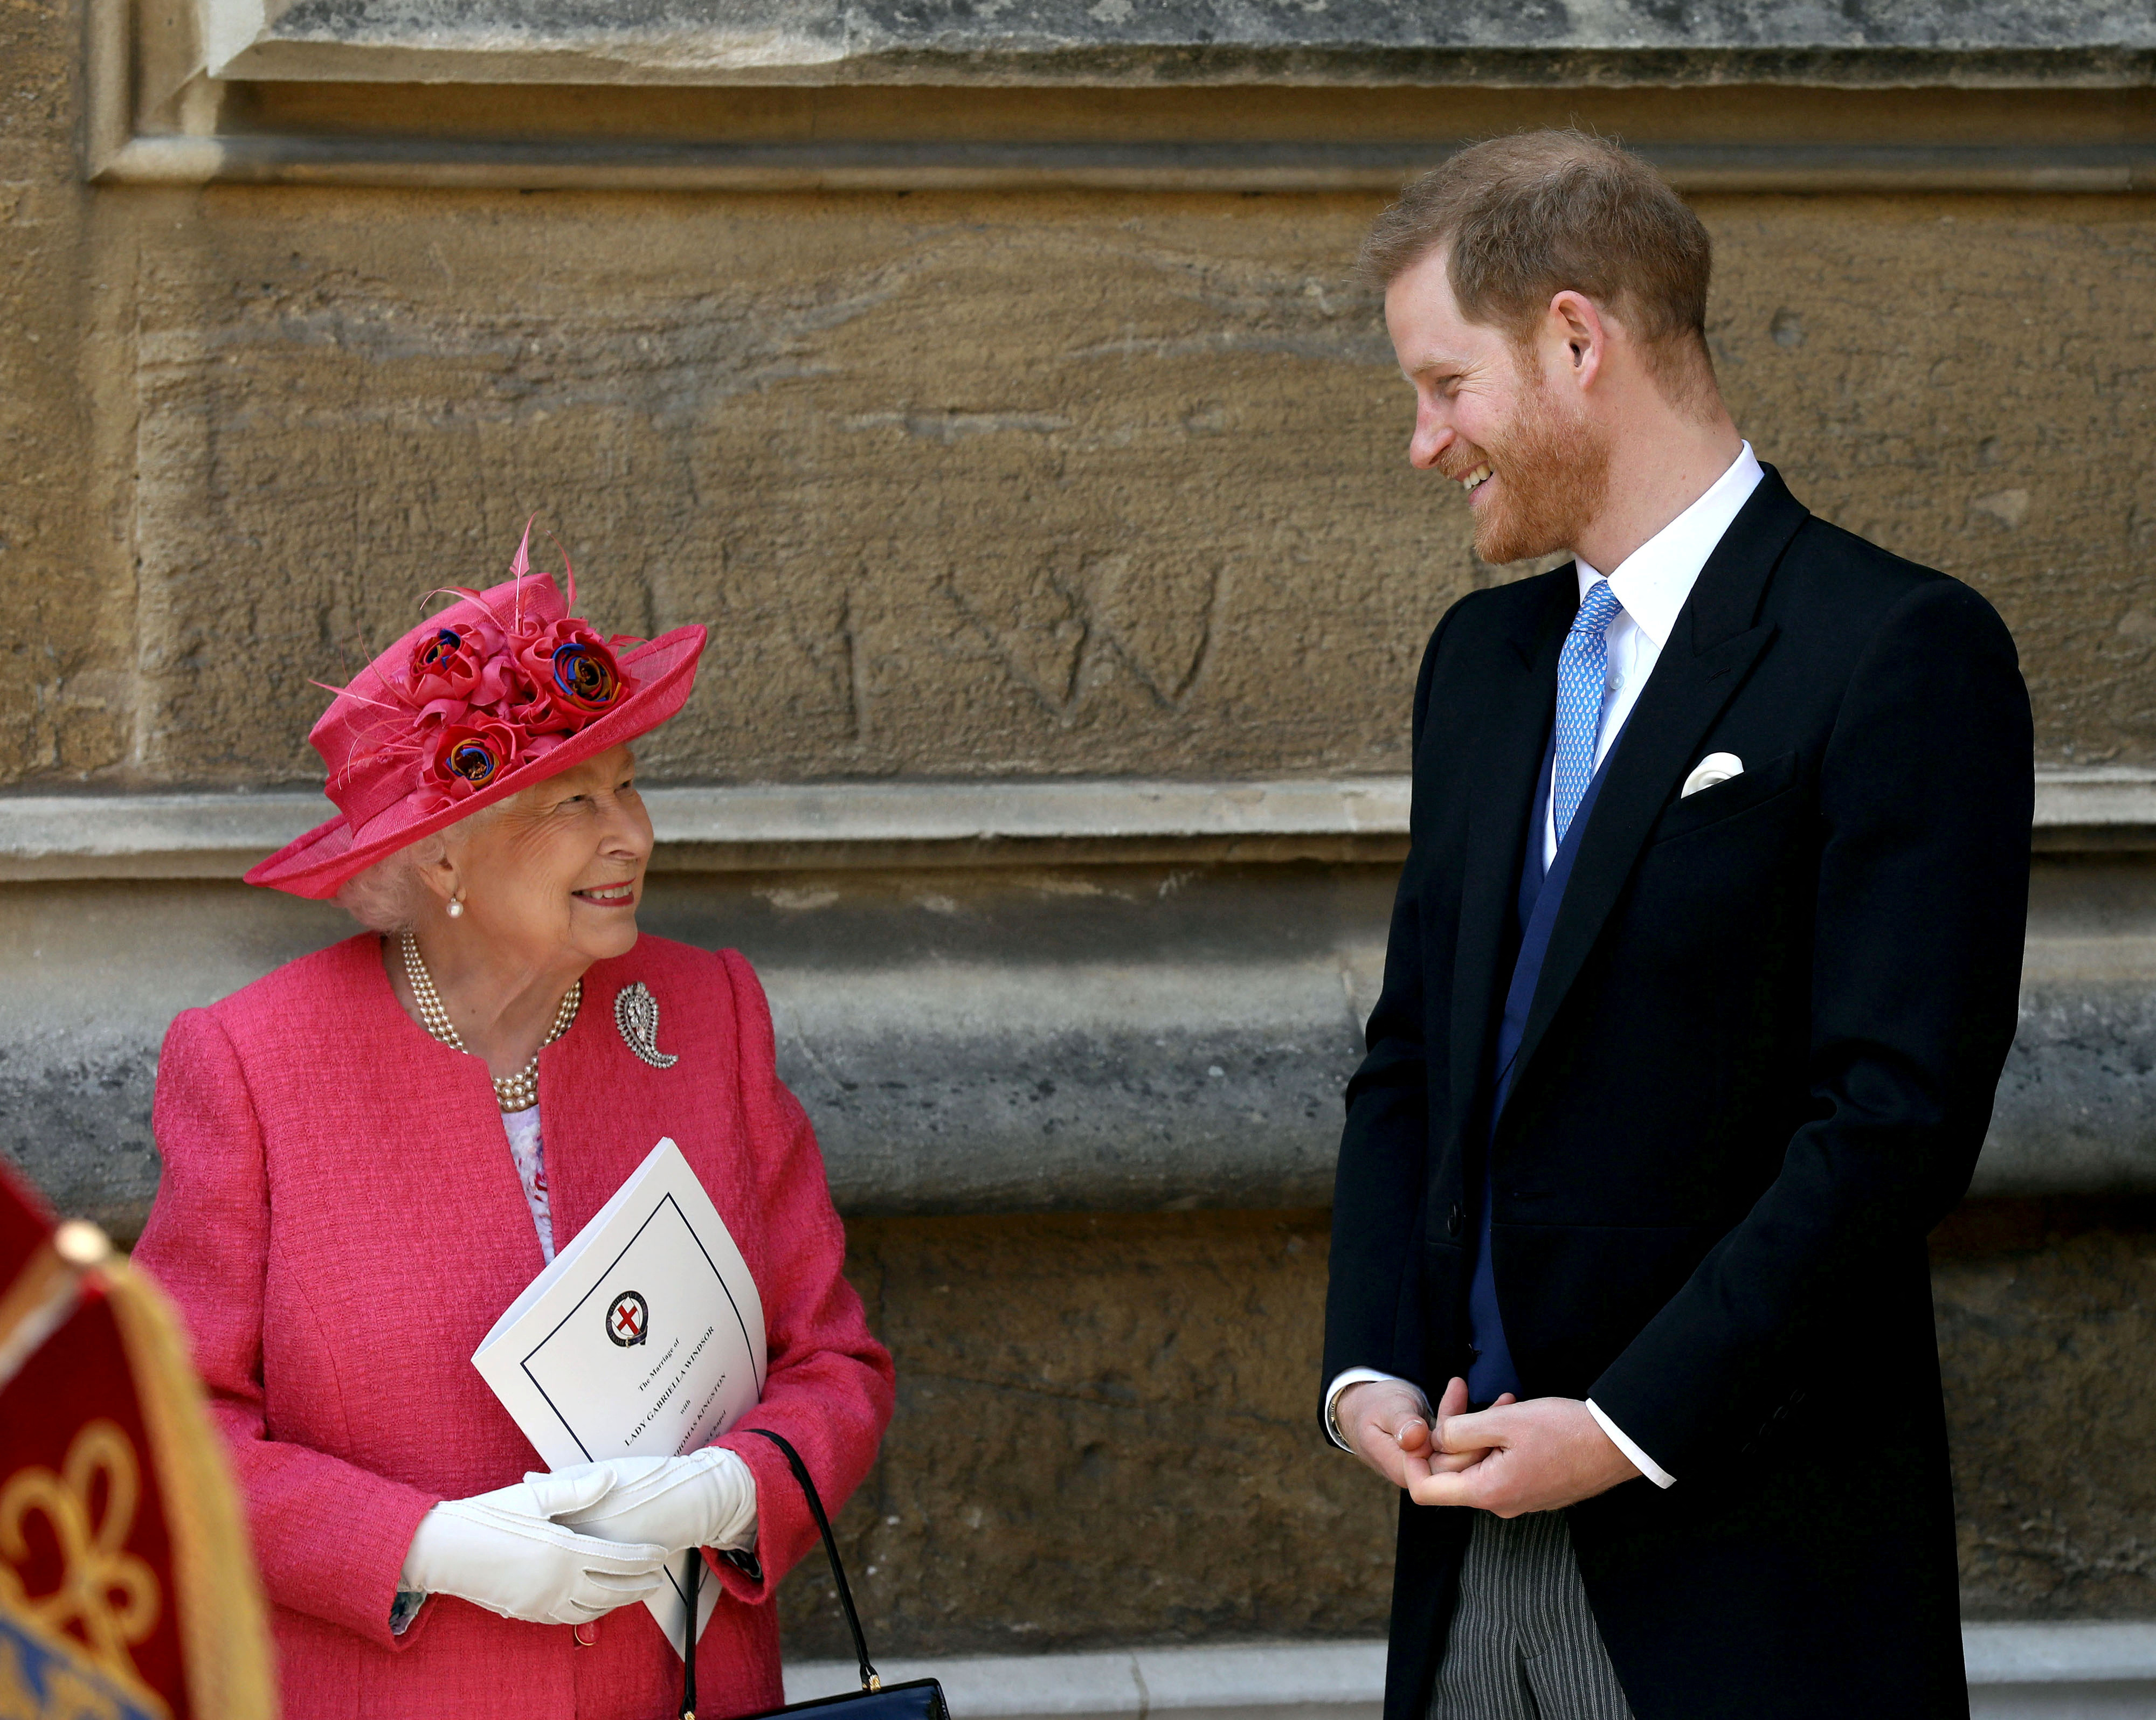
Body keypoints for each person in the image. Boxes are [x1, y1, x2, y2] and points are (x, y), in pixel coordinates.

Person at [1320, 132, 2031, 1720]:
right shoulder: (1483, 667)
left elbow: (1894, 1126)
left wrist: (1627, 1424)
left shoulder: (1897, 652)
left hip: (1744, 1578)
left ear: (1579, 341)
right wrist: (1366, 1363)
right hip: (1463, 1570)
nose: (1425, 443)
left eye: (1446, 385)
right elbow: (1418, 1051)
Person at [134, 533, 895, 1719]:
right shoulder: (253, 1065)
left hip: (684, 1694)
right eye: (572, 802)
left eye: (631, 784)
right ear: (441, 853)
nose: (630, 835)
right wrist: (426, 1545)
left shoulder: (709, 1014)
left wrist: (728, 1491)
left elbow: (833, 1365)